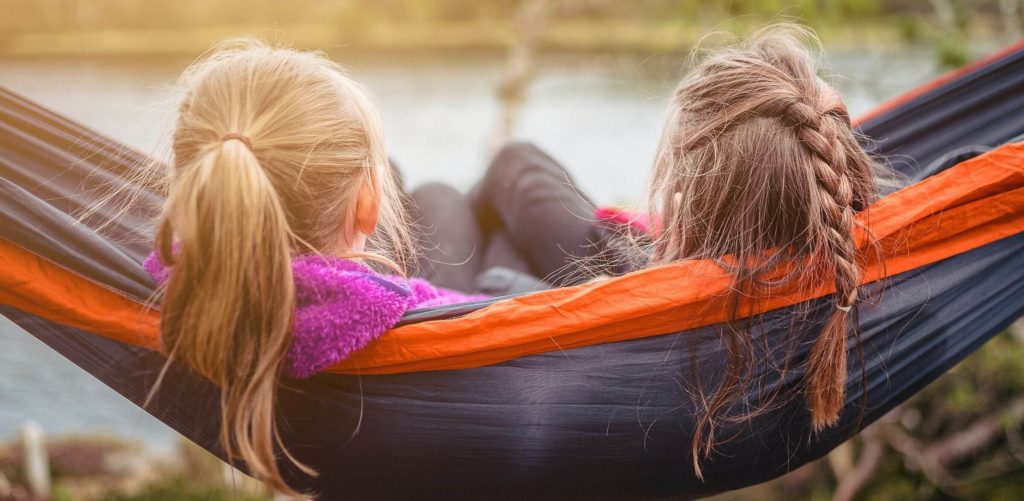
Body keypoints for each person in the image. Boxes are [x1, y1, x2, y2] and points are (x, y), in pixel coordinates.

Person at [141, 39, 483, 493]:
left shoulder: (180, 283)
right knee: (465, 187)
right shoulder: (415, 310)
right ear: (369, 204)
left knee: (414, 181)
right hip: (465, 328)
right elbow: (499, 313)